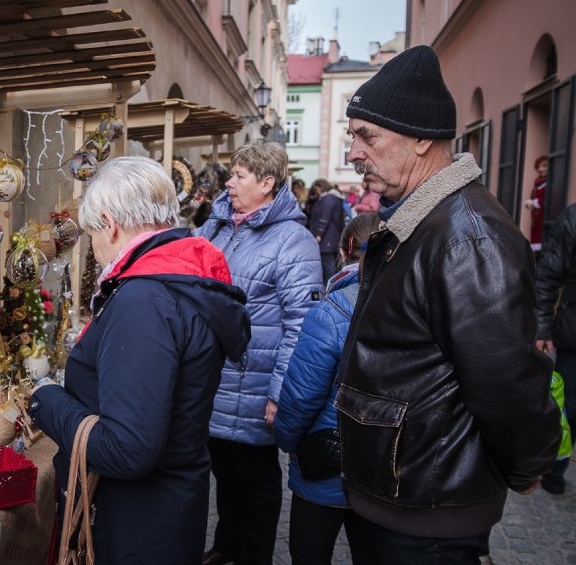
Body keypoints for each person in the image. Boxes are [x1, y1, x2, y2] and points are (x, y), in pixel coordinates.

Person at [337, 45, 561, 563]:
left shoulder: (469, 237)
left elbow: (507, 384)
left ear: (420, 139)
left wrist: (529, 466)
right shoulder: (426, 220)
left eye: (366, 135)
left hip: (427, 517)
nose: (353, 152)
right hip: (400, 501)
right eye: (353, 136)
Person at [29, 156, 251, 564]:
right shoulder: (177, 278)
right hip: (164, 513)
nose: (94, 248)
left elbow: (128, 449)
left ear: (109, 224)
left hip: (135, 526)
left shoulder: (144, 299)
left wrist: (46, 399)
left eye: (92, 233)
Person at [194, 142, 322, 565]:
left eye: (239, 176)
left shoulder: (293, 240)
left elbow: (301, 324)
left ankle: (253, 556)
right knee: (224, 474)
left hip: (255, 385)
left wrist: (279, 392)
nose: (228, 183)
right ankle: (227, 545)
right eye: (231, 175)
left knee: (258, 483)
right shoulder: (219, 226)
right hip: (216, 382)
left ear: (267, 183)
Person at [275, 212, 381, 565]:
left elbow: (301, 395)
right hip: (382, 462)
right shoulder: (410, 305)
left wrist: (288, 440)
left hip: (325, 460)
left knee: (310, 553)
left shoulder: (330, 311)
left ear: (343, 250)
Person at [534, 201, 576, 494]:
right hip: (573, 333)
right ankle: (554, 467)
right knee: (568, 407)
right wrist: (542, 325)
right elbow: (548, 275)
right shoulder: (573, 217)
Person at [309, 178, 347, 284]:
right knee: (333, 263)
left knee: (328, 264)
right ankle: (335, 285)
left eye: (316, 189)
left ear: (320, 187)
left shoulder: (328, 199)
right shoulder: (334, 198)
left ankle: (330, 286)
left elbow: (325, 217)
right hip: (333, 236)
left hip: (327, 237)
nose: (316, 192)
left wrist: (319, 234)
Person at [526, 155, 549, 252]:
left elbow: (548, 199)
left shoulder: (549, 182)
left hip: (545, 217)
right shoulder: (537, 182)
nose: (541, 169)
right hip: (536, 218)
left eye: (544, 166)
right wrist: (528, 203)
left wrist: (534, 203)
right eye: (539, 167)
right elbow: (533, 198)